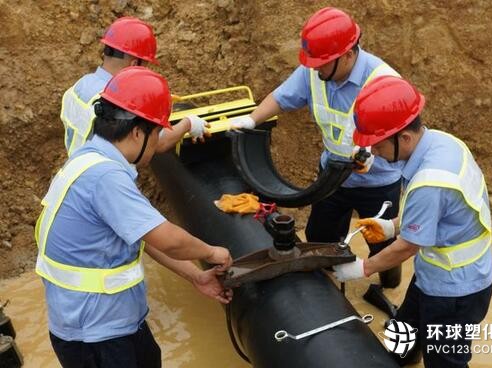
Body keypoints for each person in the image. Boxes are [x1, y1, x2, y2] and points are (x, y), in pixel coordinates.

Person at [36, 66, 233, 368]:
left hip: (110, 325)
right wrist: (212, 252)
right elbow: (168, 240)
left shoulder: (90, 157)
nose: (158, 144)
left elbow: (142, 235)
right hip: (96, 337)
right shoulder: (105, 177)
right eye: (158, 133)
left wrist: (195, 275)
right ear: (138, 132)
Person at [225, 7, 403, 287]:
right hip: (332, 177)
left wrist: (372, 154)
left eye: (322, 62)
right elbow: (282, 97)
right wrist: (251, 119)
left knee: (383, 245)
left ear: (347, 55)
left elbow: (401, 138)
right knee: (320, 236)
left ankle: (389, 285)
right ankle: (329, 287)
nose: (315, 68)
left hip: (378, 182)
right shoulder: (315, 72)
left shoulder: (384, 82)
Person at [333, 76, 492, 367]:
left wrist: (362, 268)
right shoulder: (442, 143)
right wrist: (391, 226)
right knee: (404, 333)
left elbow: (407, 247)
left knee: (444, 360)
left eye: (379, 146)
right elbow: (438, 213)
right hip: (435, 275)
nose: (375, 154)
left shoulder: (429, 182)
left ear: (404, 138)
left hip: (456, 290)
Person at [61, 16, 209, 157]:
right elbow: (158, 142)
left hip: (78, 167)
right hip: (104, 176)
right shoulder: (113, 102)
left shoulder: (79, 87)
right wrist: (189, 124)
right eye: (145, 66)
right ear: (134, 64)